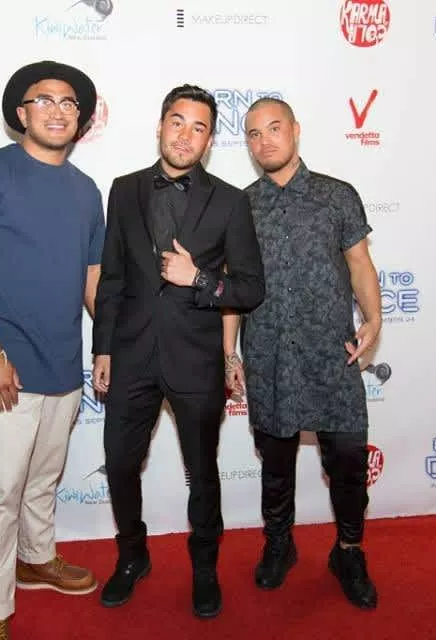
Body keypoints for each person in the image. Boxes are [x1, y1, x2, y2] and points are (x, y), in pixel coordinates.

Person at [0, 60, 105, 640]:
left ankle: (36, 558)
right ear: (21, 113)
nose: (58, 111)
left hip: (65, 365)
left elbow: (92, 278)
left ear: (80, 119)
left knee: (42, 479)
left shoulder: (86, 191)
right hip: (2, 368)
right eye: (44, 100)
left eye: (69, 103)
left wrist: (108, 344)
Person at [91, 85, 266, 618]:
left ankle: (205, 567)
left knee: (202, 471)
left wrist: (200, 279)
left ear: (210, 140)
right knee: (120, 463)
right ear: (160, 126)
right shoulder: (124, 189)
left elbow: (250, 288)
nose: (185, 135)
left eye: (198, 127)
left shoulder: (231, 201)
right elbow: (113, 277)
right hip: (131, 355)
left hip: (195, 360)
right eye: (177, 122)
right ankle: (132, 555)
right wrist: (103, 348)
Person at [223, 97, 382, 609]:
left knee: (348, 461)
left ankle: (349, 551)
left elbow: (359, 263)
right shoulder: (240, 206)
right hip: (269, 354)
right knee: (275, 462)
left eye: (274, 128)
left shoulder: (338, 195)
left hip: (333, 353)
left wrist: (374, 318)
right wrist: (230, 353)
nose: (264, 141)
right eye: (253, 133)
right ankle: (279, 543)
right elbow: (232, 287)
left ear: (295, 130)